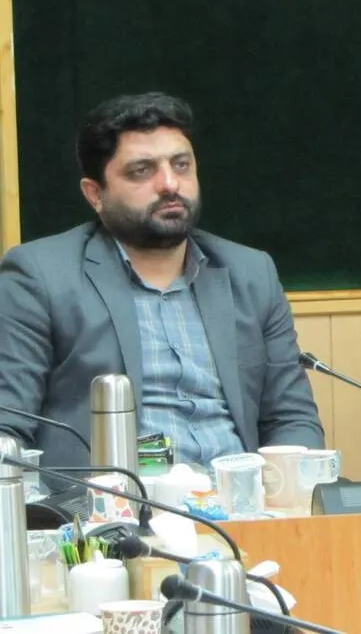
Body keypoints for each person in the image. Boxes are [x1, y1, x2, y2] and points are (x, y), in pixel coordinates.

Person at [0, 92, 325, 470]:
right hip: (114, 500)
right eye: (142, 171)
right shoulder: (40, 276)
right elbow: (8, 423)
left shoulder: (252, 273)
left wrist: (286, 492)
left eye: (181, 165)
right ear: (95, 194)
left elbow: (292, 419)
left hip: (241, 496)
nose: (170, 184)